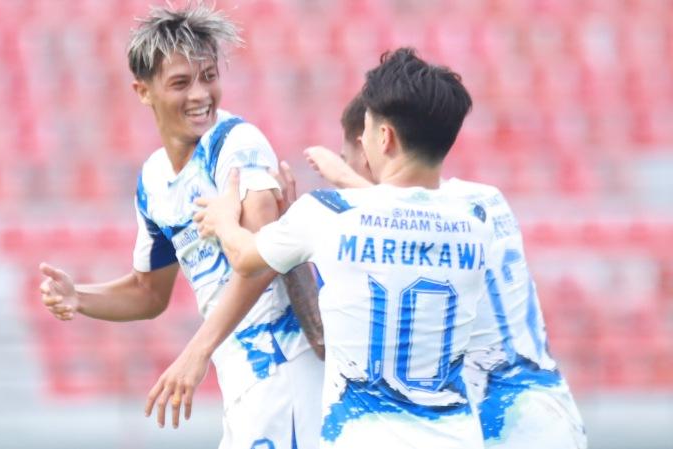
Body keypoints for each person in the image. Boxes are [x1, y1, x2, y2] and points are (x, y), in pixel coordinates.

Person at [37, 5, 323, 448]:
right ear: (143, 91)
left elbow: (264, 256)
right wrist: (81, 298)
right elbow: (148, 293)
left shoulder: (235, 144)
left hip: (286, 367)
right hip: (244, 380)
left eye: (209, 77)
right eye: (180, 83)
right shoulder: (154, 180)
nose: (200, 95)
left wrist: (196, 352)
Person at [194, 48, 491, 449]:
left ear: (384, 137)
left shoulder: (329, 213)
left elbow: (245, 258)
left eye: (365, 129)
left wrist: (223, 220)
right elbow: (409, 219)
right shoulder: (476, 222)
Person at [305, 94, 588, 448]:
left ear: (373, 146)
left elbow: (406, 221)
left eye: (347, 159)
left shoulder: (444, 219)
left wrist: (344, 180)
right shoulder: (485, 200)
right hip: (550, 412)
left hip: (501, 425)